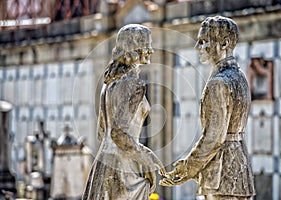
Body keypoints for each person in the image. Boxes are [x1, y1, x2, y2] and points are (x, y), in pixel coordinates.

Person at [160, 16, 256, 200]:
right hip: (239, 168)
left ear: (224, 43)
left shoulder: (218, 83)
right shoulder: (239, 77)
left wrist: (187, 169)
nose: (197, 47)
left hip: (221, 175)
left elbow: (214, 138)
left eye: (203, 41)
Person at [82, 24, 166, 200]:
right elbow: (118, 133)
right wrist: (146, 161)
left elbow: (102, 132)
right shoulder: (133, 84)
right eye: (147, 45)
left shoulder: (109, 84)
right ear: (134, 48)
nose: (151, 50)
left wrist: (146, 154)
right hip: (123, 171)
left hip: (104, 164)